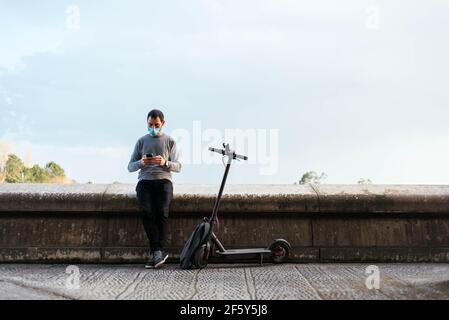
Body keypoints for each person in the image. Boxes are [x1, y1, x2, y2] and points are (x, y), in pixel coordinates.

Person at [127, 109, 182, 269]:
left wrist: (164, 162)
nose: (153, 128)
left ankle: (155, 253)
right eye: (150, 125)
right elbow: (130, 167)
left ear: (163, 123)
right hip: (145, 181)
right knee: (146, 212)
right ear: (147, 123)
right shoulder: (141, 141)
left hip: (164, 181)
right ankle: (157, 251)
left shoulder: (170, 141)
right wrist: (142, 162)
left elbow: (178, 167)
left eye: (156, 125)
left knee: (162, 212)